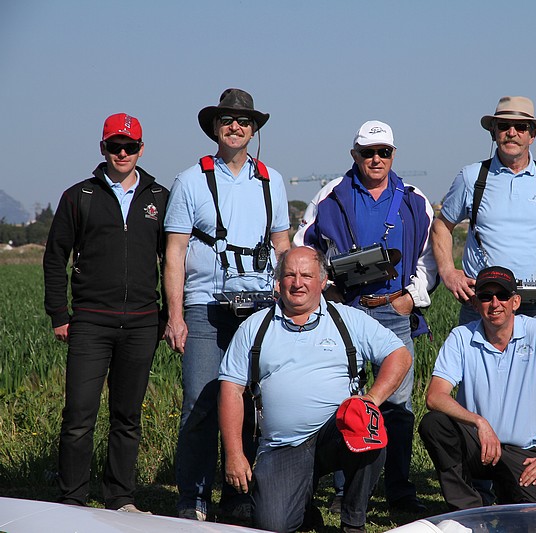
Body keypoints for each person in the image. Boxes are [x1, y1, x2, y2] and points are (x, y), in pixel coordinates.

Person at [294, 120, 436, 513]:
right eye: (367, 152)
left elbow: (429, 257)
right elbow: (303, 248)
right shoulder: (331, 195)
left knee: (398, 405)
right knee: (345, 401)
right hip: (347, 312)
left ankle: (399, 491)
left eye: (384, 152)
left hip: (394, 309)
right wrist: (327, 289)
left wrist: (411, 298)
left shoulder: (412, 198)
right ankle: (345, 491)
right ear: (353, 154)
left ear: (393, 154)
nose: (376, 159)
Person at [219, 246, 412, 533]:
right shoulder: (254, 327)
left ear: (322, 281)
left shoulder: (348, 319)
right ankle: (305, 512)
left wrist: (371, 400)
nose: (298, 283)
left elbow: (400, 355)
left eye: (307, 275)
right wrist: (235, 454)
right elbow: (231, 389)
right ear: (278, 281)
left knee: (368, 428)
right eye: (290, 275)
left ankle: (352, 523)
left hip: (338, 432)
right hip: (282, 444)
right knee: (273, 524)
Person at [163, 88, 291, 521]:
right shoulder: (190, 180)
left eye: (244, 121)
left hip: (258, 308)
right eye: (227, 120)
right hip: (203, 308)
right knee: (201, 404)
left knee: (255, 406)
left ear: (254, 130)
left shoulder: (271, 179)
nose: (236, 126)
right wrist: (176, 316)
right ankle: (193, 499)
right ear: (215, 128)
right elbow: (175, 252)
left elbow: (282, 247)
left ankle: (242, 498)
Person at [43, 113, 167, 513]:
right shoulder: (79, 196)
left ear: (141, 150)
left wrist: (168, 314)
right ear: (103, 149)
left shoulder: (159, 197)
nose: (122, 153)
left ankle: (120, 497)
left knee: (127, 417)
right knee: (79, 415)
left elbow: (175, 258)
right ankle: (72, 498)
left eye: (130, 147)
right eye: (115, 146)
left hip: (142, 323)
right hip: (90, 322)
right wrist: (59, 314)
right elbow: (54, 257)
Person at [418, 265, 536, 510]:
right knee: (434, 424)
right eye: (485, 296)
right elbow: (435, 396)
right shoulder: (461, 337)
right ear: (475, 303)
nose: (494, 303)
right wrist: (480, 423)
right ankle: (468, 509)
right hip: (477, 446)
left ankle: (508, 491)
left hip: (522, 452)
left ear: (515, 301)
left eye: (502, 296)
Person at [432, 96, 536, 329]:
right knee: (477, 365)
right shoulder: (471, 177)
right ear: (493, 133)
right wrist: (448, 272)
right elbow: (441, 226)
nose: (512, 132)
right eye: (503, 126)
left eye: (521, 127)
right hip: (481, 302)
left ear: (532, 135)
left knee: (535, 366)